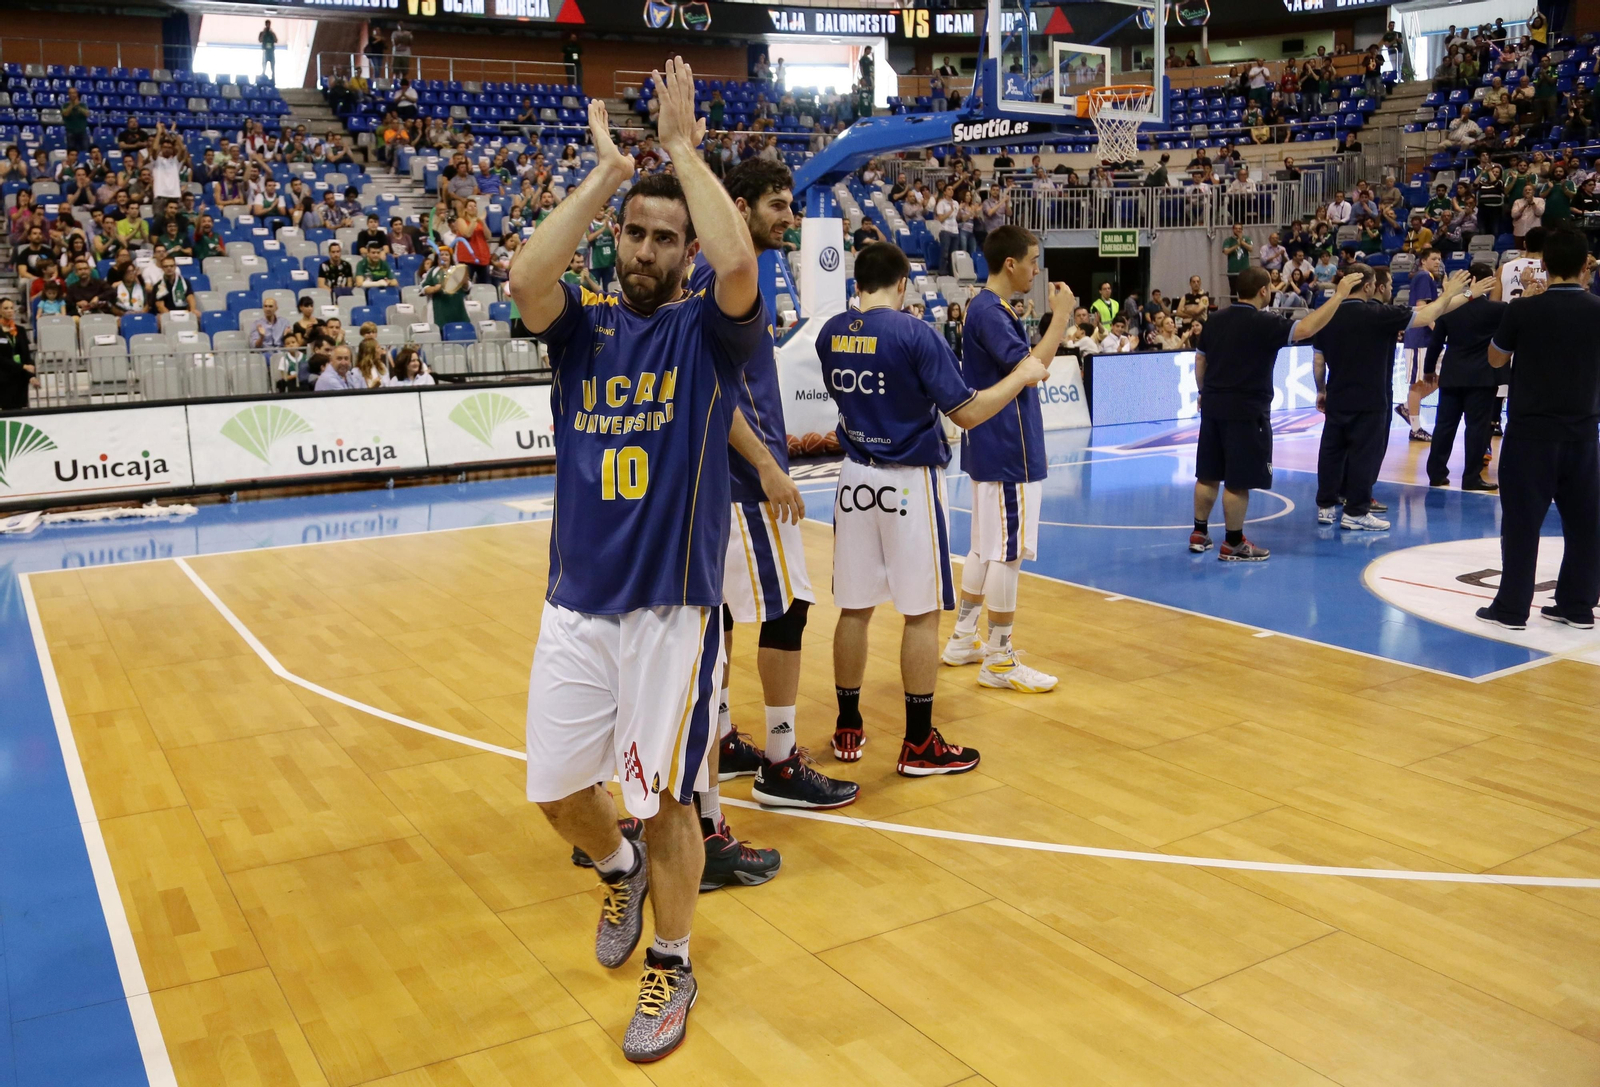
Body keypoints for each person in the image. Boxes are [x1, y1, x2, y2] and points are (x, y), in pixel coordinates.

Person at [506, 65, 763, 1062]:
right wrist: (609, 172)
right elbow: (528, 279)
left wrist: (685, 149)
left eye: (665, 236)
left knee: (664, 801)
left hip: (670, 614)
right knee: (556, 794)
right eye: (635, 233)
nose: (647, 248)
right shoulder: (581, 331)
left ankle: (673, 960)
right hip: (575, 603)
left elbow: (740, 271)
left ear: (686, 249)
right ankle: (612, 867)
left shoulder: (706, 331)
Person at [821, 240, 1051, 773]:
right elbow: (968, 413)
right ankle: (919, 742)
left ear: (858, 283)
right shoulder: (912, 332)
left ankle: (848, 727)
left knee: (853, 607)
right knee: (921, 613)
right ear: (903, 283)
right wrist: (1019, 376)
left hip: (853, 478)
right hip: (907, 481)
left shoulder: (832, 332)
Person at [941, 225, 1074, 690]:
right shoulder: (990, 312)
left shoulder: (984, 308)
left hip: (989, 445)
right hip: (1007, 447)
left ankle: (963, 637)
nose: (1038, 270)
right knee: (1007, 554)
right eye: (1033, 261)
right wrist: (1061, 318)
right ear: (1011, 263)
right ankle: (999, 658)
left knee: (984, 546)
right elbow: (1032, 370)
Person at [1191, 267, 1364, 560]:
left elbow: (1200, 361)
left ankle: (1199, 533)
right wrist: (1339, 296)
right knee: (1237, 480)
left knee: (1207, 474)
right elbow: (1308, 328)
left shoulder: (1214, 320)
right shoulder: (1265, 322)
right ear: (1263, 291)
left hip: (1213, 408)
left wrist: (1203, 393)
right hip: (1246, 411)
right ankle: (1233, 543)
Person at [1480, 226, 1600, 631]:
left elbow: (1496, 360)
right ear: (1586, 265)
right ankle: (1577, 606)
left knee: (1521, 523)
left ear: (1543, 266)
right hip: (1583, 433)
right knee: (1585, 524)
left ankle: (1512, 610)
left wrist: (1524, 305)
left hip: (1531, 433)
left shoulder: (1524, 309)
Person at [1312, 264, 1477, 531]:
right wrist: (1457, 294)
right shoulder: (1379, 314)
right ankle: (1355, 512)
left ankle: (1326, 507)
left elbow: (1318, 361)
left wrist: (1321, 390)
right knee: (1364, 455)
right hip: (1370, 399)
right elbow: (1426, 316)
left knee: (1331, 451)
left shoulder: (1325, 314)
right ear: (1368, 286)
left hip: (1337, 397)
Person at [1426, 261, 1508, 491]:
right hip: (1482, 378)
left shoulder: (1449, 307)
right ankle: (1471, 478)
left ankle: (1436, 474)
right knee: (1476, 429)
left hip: (1452, 375)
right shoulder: (1497, 310)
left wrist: (1429, 370)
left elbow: (1436, 343)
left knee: (1444, 425)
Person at [1397, 248, 1445, 442]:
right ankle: (1415, 428)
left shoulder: (1429, 278)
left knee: (1438, 377)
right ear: (1423, 261)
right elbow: (1422, 308)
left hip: (1425, 338)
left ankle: (1407, 407)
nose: (1438, 262)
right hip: (1419, 337)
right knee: (1418, 384)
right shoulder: (1424, 276)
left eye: (1440, 258)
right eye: (1434, 258)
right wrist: (1439, 331)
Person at [0, 298, 37, 411]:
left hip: (19, 379)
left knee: (19, 410)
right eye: (6, 308)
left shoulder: (20, 330)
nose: (10, 311)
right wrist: (23, 366)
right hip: (3, 378)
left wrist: (31, 376)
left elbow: (25, 355)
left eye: (11, 308)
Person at [420, 247, 469, 327]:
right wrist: (435, 288)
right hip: (439, 311)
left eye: (447, 254)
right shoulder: (432, 271)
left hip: (458, 309)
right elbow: (423, 289)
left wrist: (465, 282)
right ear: (437, 258)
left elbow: (467, 288)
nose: (444, 256)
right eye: (441, 254)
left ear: (450, 257)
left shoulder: (457, 269)